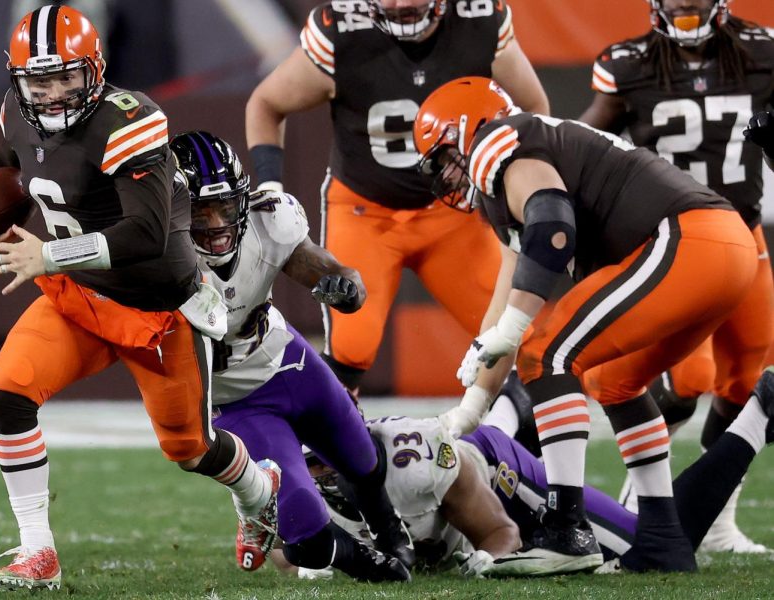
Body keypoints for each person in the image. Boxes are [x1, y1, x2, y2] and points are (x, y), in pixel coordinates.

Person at [0, 6, 279, 590]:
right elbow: (14, 164)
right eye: (39, 81)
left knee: (190, 447)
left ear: (95, 70)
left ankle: (261, 492)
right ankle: (38, 551)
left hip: (159, 307)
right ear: (18, 80)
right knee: (10, 392)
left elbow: (145, 234)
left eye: (65, 78)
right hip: (79, 296)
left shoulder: (128, 120)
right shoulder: (16, 112)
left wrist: (48, 255)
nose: (52, 95)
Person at [413, 76, 761, 573]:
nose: (447, 177)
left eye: (446, 158)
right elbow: (501, 316)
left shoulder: (500, 141)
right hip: (726, 249)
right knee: (611, 381)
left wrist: (513, 333)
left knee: (544, 353)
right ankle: (662, 540)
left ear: (470, 129)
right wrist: (468, 412)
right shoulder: (519, 170)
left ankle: (564, 532)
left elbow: (552, 226)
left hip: (691, 239)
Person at [245, 0, 549, 395]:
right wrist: (270, 188)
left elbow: (533, 108)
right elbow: (266, 104)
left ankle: (521, 443)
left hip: (452, 214)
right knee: (350, 351)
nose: (403, 9)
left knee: (519, 340)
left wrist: (505, 184)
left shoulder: (480, 20)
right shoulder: (341, 29)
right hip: (365, 211)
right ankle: (329, 451)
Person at [168, 130, 412, 581]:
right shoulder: (154, 252)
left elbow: (333, 271)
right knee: (301, 522)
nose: (217, 222)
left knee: (361, 453)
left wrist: (347, 289)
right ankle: (360, 558)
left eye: (224, 206)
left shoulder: (268, 222)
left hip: (284, 358)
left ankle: (388, 526)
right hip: (232, 396)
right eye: (200, 211)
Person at [578, 0, 774, 552]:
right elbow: (587, 149)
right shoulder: (628, 64)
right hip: (672, 242)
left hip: (746, 236)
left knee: (745, 383)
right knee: (687, 383)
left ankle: (715, 522)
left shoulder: (763, 51)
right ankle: (633, 506)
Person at [284, 366, 774, 578]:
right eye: (312, 461)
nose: (323, 472)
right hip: (464, 470)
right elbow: (287, 553)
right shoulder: (293, 487)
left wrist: (486, 560)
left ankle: (762, 409)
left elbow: (502, 533)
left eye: (326, 456)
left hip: (502, 480)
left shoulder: (412, 462)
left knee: (663, 547)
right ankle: (516, 398)